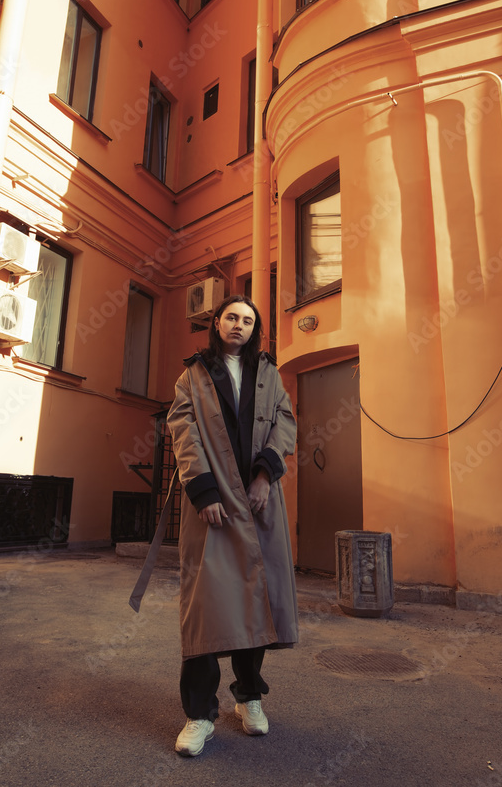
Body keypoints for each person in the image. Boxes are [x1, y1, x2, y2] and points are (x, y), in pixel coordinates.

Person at [167, 294, 299, 757]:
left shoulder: (269, 372)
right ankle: (199, 716)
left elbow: (285, 421)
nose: (239, 325)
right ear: (217, 323)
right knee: (203, 611)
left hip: (260, 502)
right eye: (231, 318)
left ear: (255, 328)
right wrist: (203, 492)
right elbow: (182, 429)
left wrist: (266, 474)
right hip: (214, 506)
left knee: (253, 602)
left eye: (248, 319)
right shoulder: (193, 375)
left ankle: (249, 698)